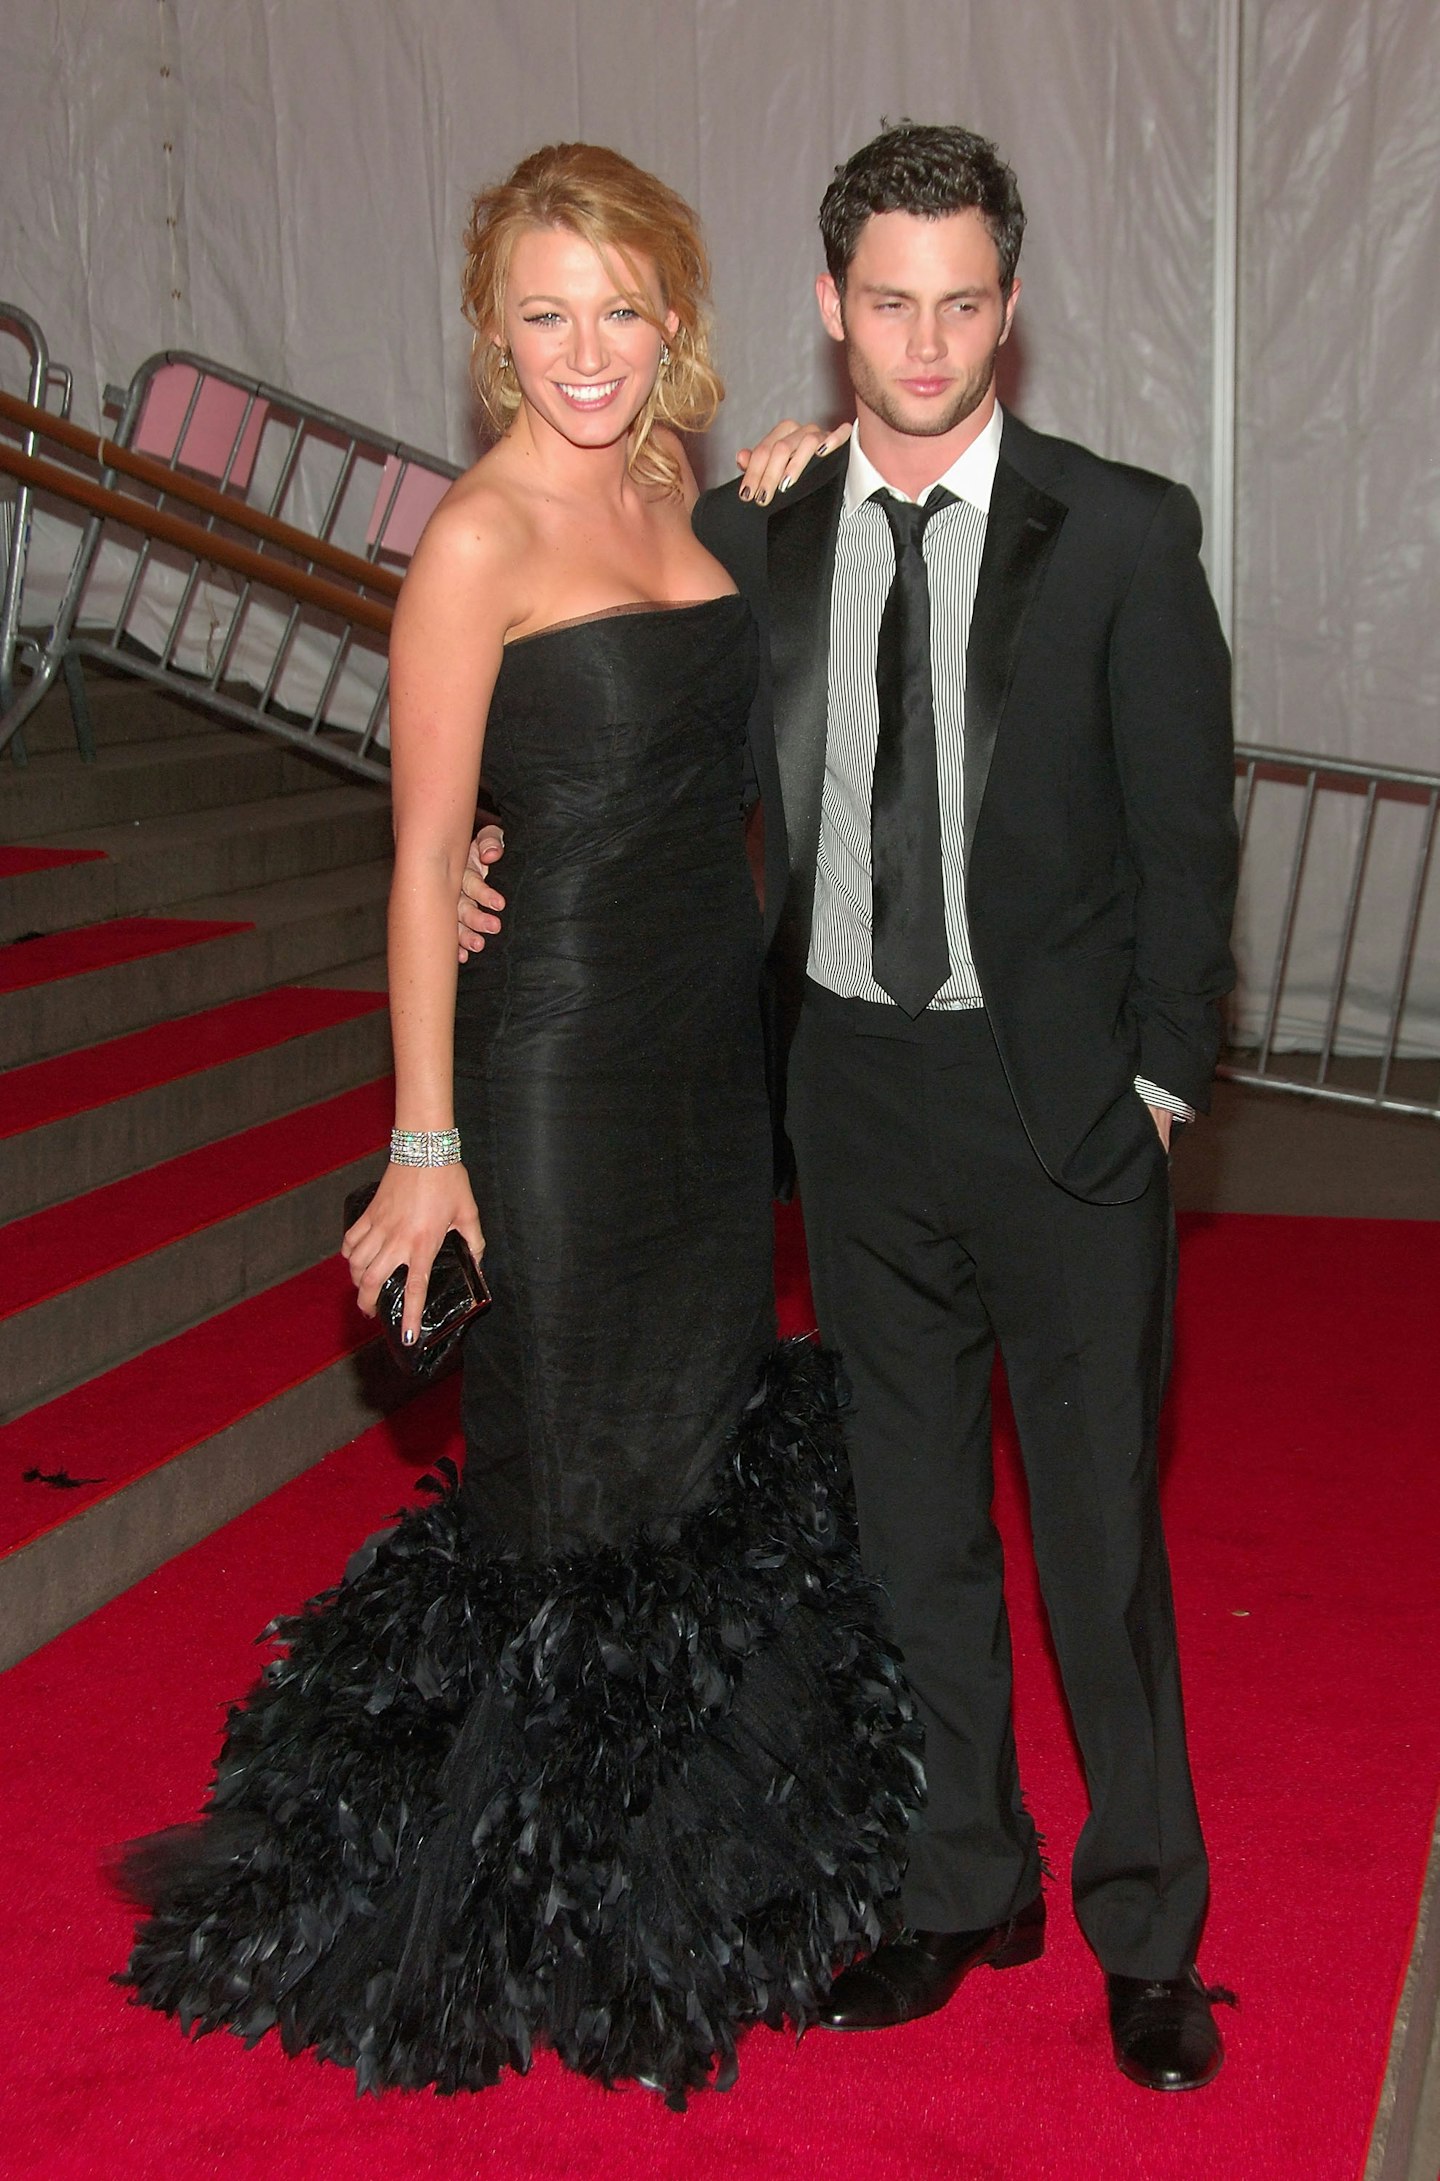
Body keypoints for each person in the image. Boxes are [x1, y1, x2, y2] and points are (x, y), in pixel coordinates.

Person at [117, 142, 920, 2108]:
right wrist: (425, 1138)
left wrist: (793, 478)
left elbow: (754, 672)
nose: (585, 350)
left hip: (707, 1062)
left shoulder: (680, 490)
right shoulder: (474, 540)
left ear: (675, 320)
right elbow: (415, 867)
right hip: (550, 1060)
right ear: (496, 332)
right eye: (545, 314)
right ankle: (542, 1903)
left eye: (619, 309)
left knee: (701, 1455)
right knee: (569, 1475)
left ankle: (666, 1871)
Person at [461, 119, 1241, 2095]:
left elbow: (1186, 834)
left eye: (962, 299)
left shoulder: (1127, 531)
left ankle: (1147, 1913)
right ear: (828, 309)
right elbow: (613, 717)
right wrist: (489, 841)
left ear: (1011, 307)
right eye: (886, 301)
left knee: (1096, 1541)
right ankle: (963, 1874)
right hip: (851, 1101)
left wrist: (1157, 1081)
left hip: (1063, 1113)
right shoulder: (752, 535)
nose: (924, 337)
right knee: (911, 1530)